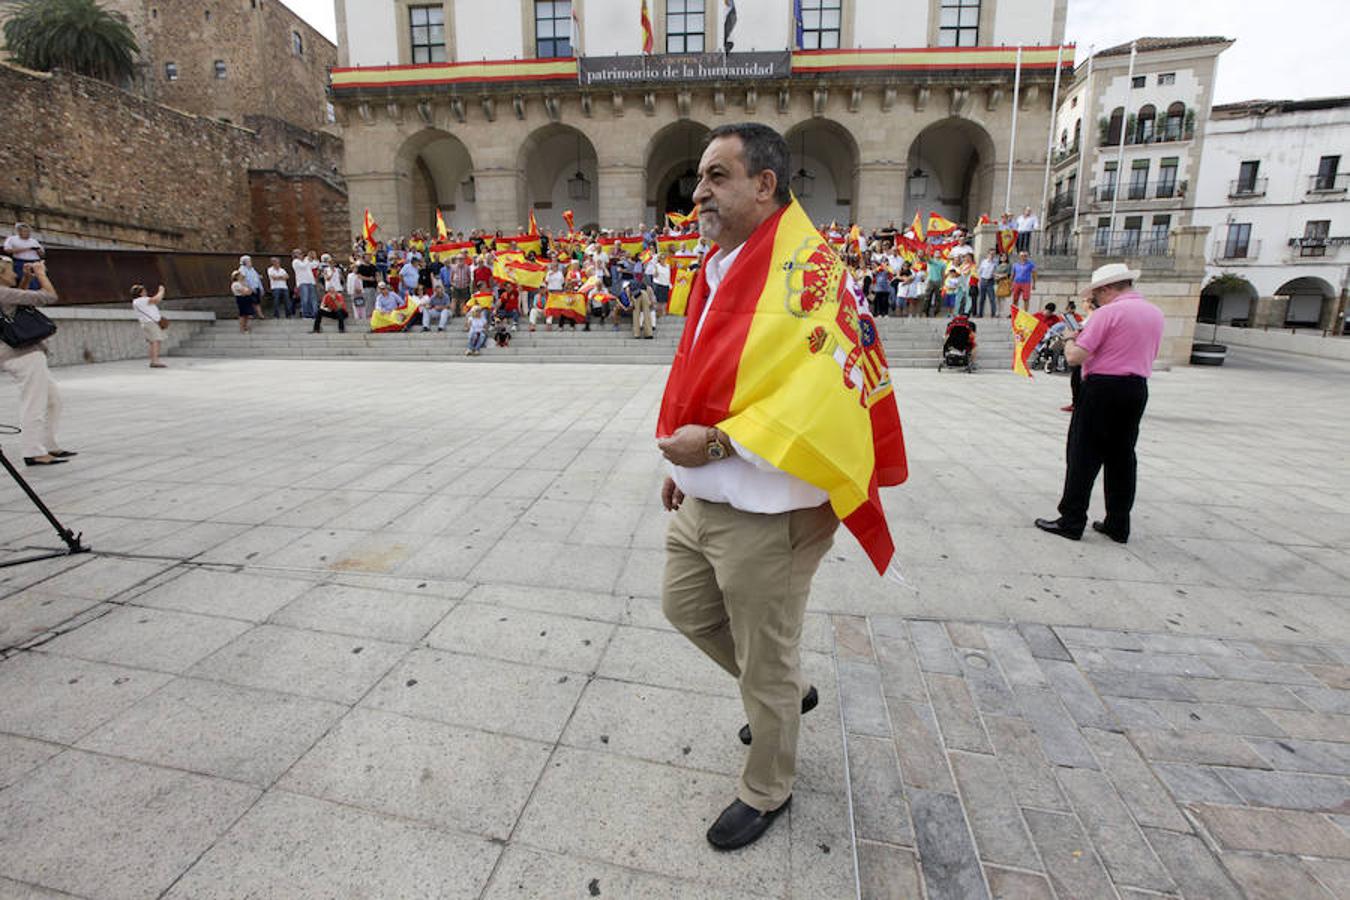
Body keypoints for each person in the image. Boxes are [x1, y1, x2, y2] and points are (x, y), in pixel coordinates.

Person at [656, 123, 903, 852]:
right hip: (706, 492)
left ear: (765, 184)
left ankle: (768, 785)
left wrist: (722, 443)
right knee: (685, 609)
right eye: (699, 177)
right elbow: (698, 369)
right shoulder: (716, 265)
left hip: (773, 507)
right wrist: (679, 466)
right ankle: (786, 699)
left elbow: (821, 390)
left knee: (766, 660)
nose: (698, 191)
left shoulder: (813, 270)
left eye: (716, 176)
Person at [1035, 263, 1164, 545]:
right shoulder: (1155, 313)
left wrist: (1070, 339)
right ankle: (1118, 523)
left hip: (1102, 388)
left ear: (1106, 289)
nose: (1094, 298)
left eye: (1096, 293)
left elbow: (1075, 357)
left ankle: (1072, 519)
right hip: (1136, 388)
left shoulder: (1107, 313)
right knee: (1122, 457)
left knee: (1083, 454)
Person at [0, 258, 74, 466]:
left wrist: (26, 278)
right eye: (10, 272)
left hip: (23, 355)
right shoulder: (2, 292)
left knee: (53, 401)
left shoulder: (5, 294)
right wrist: (41, 273)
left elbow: (18, 302)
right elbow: (49, 296)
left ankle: (48, 444)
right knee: (34, 402)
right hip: (23, 356)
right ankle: (33, 451)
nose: (14, 275)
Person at [131, 283, 169, 368]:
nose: (145, 292)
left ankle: (154, 360)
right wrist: (161, 290)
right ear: (140, 293)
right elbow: (157, 299)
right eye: (144, 291)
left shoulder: (136, 302)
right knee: (156, 341)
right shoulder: (142, 300)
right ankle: (155, 361)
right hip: (151, 323)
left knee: (153, 342)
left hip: (147, 323)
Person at [4, 223, 44, 288]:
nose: (27, 233)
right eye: (25, 231)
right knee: (25, 280)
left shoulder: (34, 241)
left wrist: (38, 251)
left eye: (28, 231)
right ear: (19, 232)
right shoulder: (12, 239)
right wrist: (27, 249)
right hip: (21, 262)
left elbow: (42, 254)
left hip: (35, 262)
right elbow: (7, 250)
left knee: (38, 281)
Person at [293, 249, 319, 318]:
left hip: (311, 282)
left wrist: (315, 257)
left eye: (301, 253)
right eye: (299, 253)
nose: (301, 254)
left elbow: (315, 265)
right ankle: (305, 314)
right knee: (305, 299)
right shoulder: (295, 261)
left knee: (312, 299)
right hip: (302, 282)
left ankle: (313, 314)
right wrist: (308, 258)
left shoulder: (305, 261)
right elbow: (303, 266)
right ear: (295, 255)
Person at [976, 248, 998, 318]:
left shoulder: (995, 263)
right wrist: (979, 280)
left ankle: (993, 313)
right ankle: (980, 313)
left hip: (990, 281)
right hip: (983, 280)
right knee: (982, 298)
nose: (992, 255)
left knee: (992, 298)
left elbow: (996, 272)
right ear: (988, 254)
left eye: (993, 254)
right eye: (991, 254)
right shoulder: (984, 262)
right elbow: (979, 271)